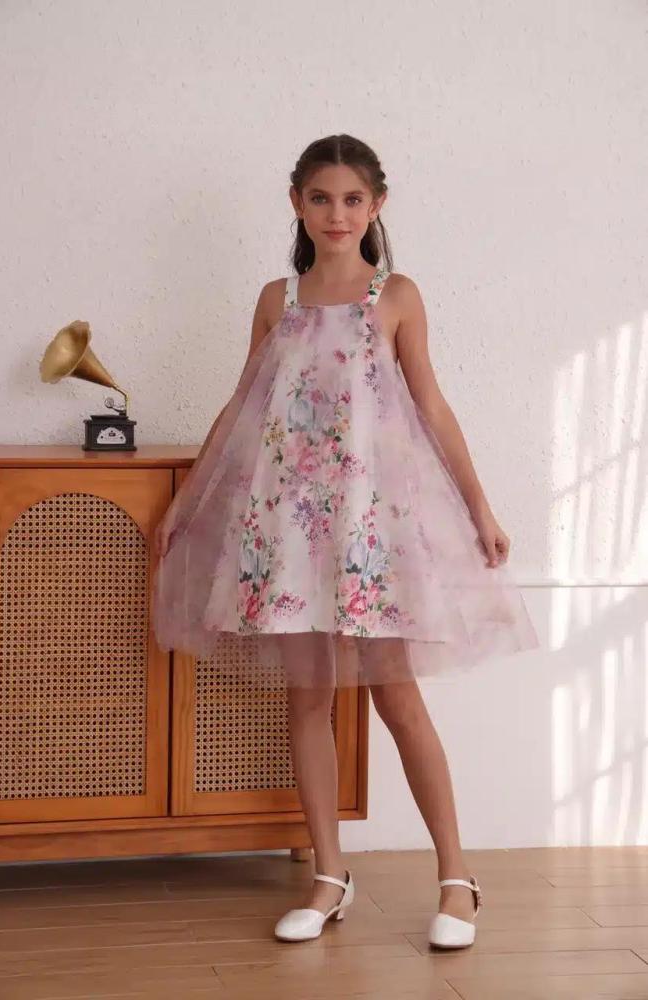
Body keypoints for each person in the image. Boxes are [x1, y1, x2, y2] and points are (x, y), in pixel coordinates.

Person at [151, 134, 540, 949]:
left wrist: (480, 507)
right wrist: (187, 497)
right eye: (321, 199)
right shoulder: (278, 300)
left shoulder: (393, 296)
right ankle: (329, 874)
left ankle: (456, 877)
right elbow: (244, 403)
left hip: (372, 528)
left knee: (397, 696)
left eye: (352, 200)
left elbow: (431, 405)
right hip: (291, 525)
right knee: (308, 697)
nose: (337, 214)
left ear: (377, 205)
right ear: (297, 202)